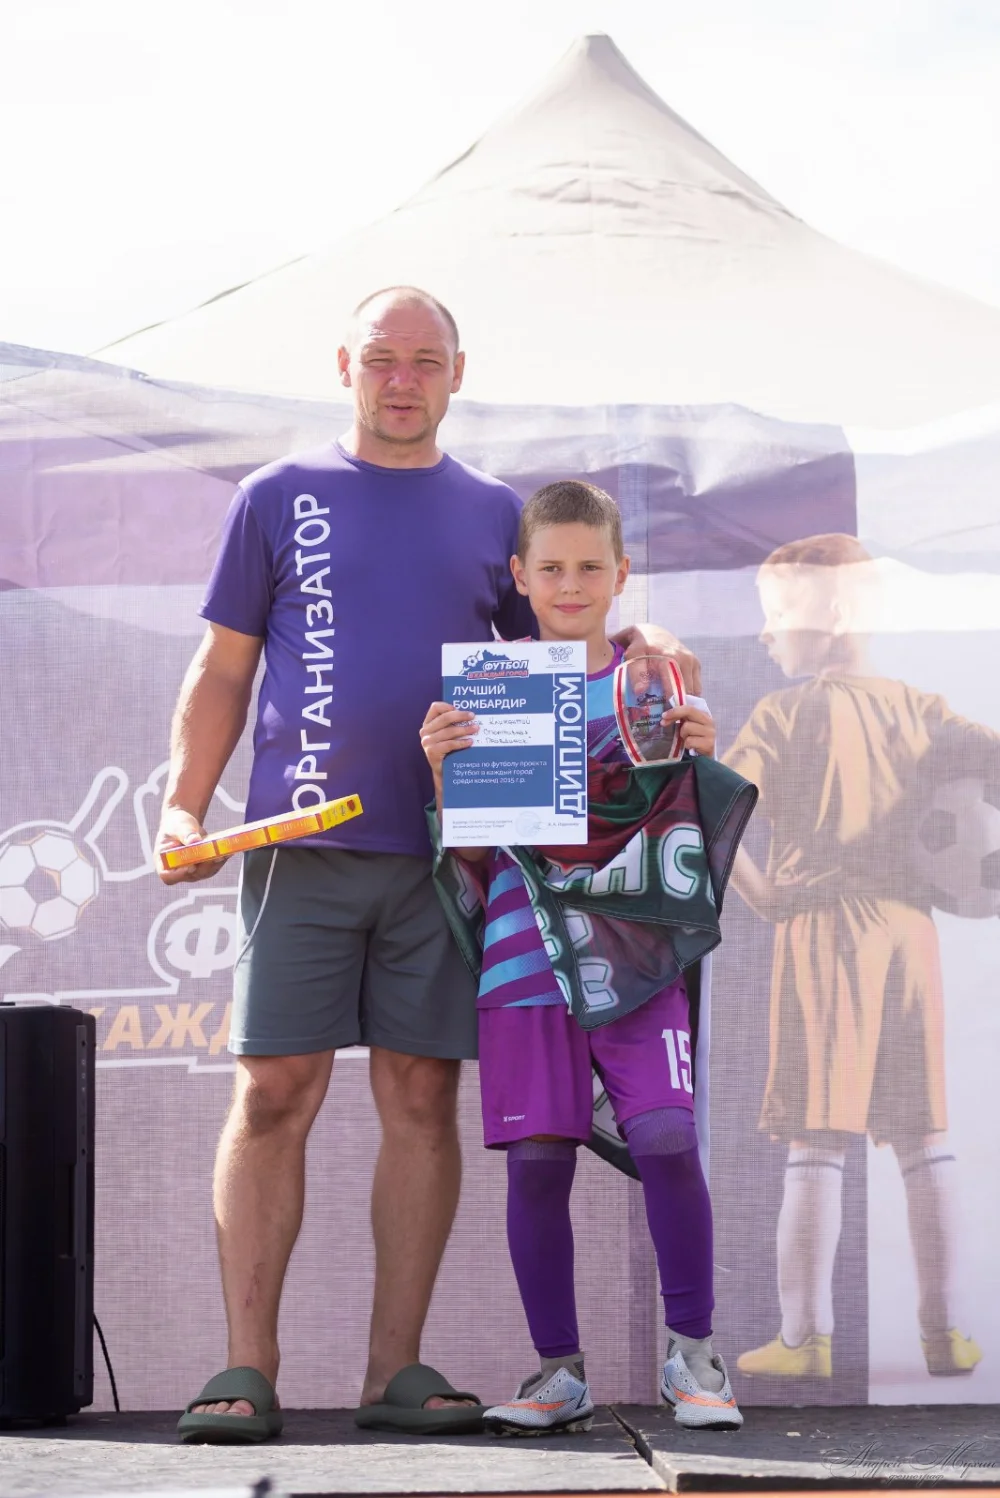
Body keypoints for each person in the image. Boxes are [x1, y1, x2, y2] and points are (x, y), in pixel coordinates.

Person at [156, 287, 701, 1442]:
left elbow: (563, 635)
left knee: (419, 1096)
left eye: (424, 361)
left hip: (453, 858)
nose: (401, 380)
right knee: (272, 1091)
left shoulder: (494, 511)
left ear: (458, 372)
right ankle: (244, 1366)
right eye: (382, 359)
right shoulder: (276, 495)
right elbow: (223, 668)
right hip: (298, 843)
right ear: (344, 365)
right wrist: (180, 802)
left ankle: (393, 1369)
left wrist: (644, 645)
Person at [420, 480, 746, 1434]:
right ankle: (557, 1374)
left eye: (589, 567)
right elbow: (470, 859)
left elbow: (686, 829)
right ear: (519, 576)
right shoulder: (488, 689)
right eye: (552, 568)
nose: (571, 585)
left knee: (668, 1138)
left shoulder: (655, 684)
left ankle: (695, 1357)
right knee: (536, 1164)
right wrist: (444, 775)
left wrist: (700, 756)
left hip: (636, 957)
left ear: (621, 574)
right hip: (522, 959)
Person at [723, 533, 997, 1380]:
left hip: (825, 932)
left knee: (817, 1138)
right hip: (910, 938)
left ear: (833, 613)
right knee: (924, 1138)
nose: (767, 632)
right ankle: (945, 1335)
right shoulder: (923, 709)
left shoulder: (783, 713)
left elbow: (708, 807)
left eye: (778, 612)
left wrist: (762, 895)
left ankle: (805, 1339)